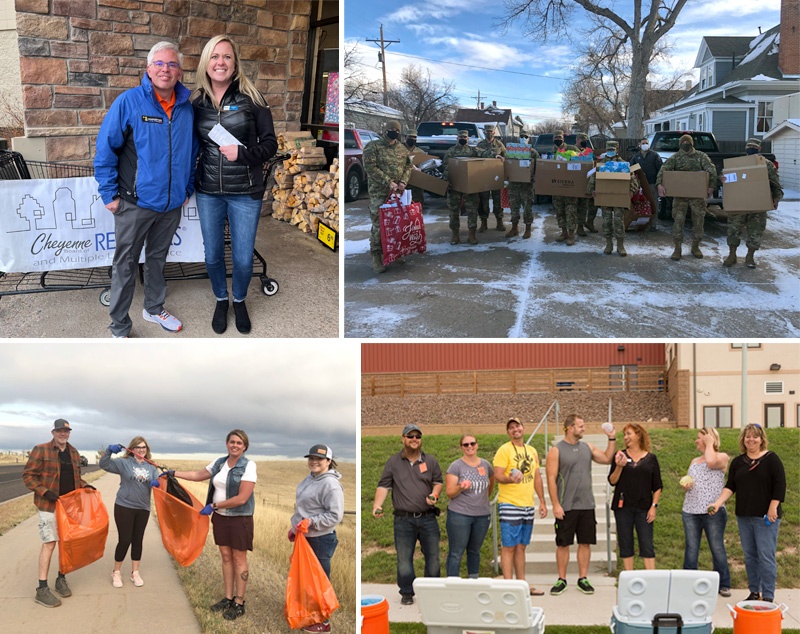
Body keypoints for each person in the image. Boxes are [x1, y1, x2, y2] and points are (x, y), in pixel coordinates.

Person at [95, 41, 198, 337]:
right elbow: (106, 149)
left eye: (172, 64)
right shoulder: (129, 102)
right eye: (160, 64)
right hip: (134, 204)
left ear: (180, 71)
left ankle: (153, 308)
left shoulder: (186, 110)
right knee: (125, 266)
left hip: (170, 205)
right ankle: (119, 327)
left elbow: (191, 153)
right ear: (148, 69)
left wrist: (186, 188)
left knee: (157, 259)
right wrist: (109, 195)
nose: (166, 70)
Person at [192, 35, 278, 335]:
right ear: (206, 62)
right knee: (213, 254)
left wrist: (242, 153)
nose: (220, 62)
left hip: (245, 192)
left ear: (235, 62)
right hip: (208, 192)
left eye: (227, 57)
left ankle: (239, 299)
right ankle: (220, 298)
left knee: (242, 257)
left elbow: (270, 145)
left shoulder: (252, 99)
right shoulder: (196, 102)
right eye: (215, 56)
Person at [172, 430, 257, 621]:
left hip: (239, 518)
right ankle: (228, 598)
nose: (235, 445)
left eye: (239, 443)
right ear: (227, 443)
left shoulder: (248, 465)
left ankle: (239, 601)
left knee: (238, 559)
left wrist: (214, 505)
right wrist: (173, 473)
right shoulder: (220, 462)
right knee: (226, 557)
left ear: (244, 446)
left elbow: (242, 498)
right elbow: (197, 474)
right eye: (232, 442)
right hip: (220, 518)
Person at [709, 424, 785, 603]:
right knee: (750, 556)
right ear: (743, 439)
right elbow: (730, 487)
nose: (751, 440)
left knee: (766, 556)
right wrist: (718, 503)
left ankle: (767, 595)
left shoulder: (772, 459)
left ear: (761, 439)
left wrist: (773, 506)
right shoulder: (738, 462)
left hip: (766, 517)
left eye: (755, 437)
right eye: (747, 437)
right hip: (744, 516)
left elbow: (780, 485)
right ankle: (754, 591)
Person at [22, 419, 91, 608]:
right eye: (60, 431)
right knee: (50, 544)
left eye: (66, 431)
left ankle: (61, 578)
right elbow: (28, 476)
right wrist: (45, 492)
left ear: (69, 433)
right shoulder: (41, 449)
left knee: (67, 544)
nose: (63, 434)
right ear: (53, 432)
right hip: (49, 506)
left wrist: (85, 486)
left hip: (69, 506)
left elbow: (75, 478)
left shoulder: (74, 452)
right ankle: (41, 589)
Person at [372, 424, 443, 605]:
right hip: (403, 520)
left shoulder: (431, 461)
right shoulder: (393, 462)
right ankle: (407, 593)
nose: (414, 439)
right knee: (404, 559)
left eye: (417, 437)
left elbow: (438, 483)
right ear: (403, 438)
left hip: (428, 518)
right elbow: (383, 486)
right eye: (410, 436)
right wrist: (377, 505)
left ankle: (431, 592)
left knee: (433, 557)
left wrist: (434, 494)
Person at [546, 414, 616, 595]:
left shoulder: (587, 447)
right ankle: (561, 579)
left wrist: (612, 438)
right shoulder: (556, 450)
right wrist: (555, 504)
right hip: (566, 506)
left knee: (585, 543)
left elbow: (608, 458)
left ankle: (582, 578)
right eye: (580, 426)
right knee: (563, 544)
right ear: (570, 428)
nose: (583, 428)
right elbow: (551, 479)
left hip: (586, 505)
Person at [289, 444, 344, 634]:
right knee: (307, 581)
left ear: (329, 461)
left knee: (319, 581)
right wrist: (294, 528)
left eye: (319, 459)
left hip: (321, 539)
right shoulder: (310, 479)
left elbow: (335, 516)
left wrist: (310, 523)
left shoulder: (330, 485)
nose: (314, 462)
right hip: (305, 537)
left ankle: (324, 621)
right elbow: (303, 510)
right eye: (311, 458)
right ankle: (309, 614)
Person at [493, 418, 548, 595]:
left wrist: (542, 500)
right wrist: (511, 479)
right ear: (508, 432)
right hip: (509, 504)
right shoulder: (504, 450)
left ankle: (521, 584)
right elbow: (498, 475)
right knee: (509, 546)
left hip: (527, 504)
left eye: (517, 426)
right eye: (511, 428)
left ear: (523, 428)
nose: (515, 429)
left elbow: (537, 477)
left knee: (521, 546)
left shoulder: (532, 451)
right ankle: (508, 587)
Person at [99, 437, 161, 588]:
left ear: (147, 449)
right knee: (125, 540)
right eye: (138, 447)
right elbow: (104, 464)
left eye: (144, 447)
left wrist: (157, 483)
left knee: (137, 540)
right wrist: (108, 451)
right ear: (132, 449)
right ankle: (116, 572)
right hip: (124, 506)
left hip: (143, 508)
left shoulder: (152, 467)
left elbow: (158, 482)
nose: (141, 450)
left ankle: (135, 573)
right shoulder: (124, 463)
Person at [680, 428, 731, 597]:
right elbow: (691, 481)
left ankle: (723, 583)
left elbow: (711, 462)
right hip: (691, 510)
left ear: (709, 439)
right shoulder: (695, 461)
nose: (696, 441)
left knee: (716, 547)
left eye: (699, 438)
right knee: (691, 547)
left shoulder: (721, 457)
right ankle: (688, 581)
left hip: (712, 512)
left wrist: (710, 443)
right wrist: (687, 486)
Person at [607, 424, 663, 570]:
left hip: (644, 508)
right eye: (624, 435)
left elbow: (657, 486)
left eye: (629, 434)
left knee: (646, 543)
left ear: (638, 435)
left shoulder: (651, 459)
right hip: (623, 507)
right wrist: (619, 466)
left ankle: (651, 577)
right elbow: (612, 481)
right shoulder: (619, 456)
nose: (626, 437)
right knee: (625, 542)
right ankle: (630, 578)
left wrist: (654, 506)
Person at [722, 138, 783, 269]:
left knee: (755, 231)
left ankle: (750, 257)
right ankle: (732, 255)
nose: (751, 148)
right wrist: (722, 178)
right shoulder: (738, 163)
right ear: (745, 148)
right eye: (749, 146)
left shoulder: (766, 164)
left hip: (758, 204)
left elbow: (775, 183)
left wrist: (776, 198)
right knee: (734, 230)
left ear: (759, 149)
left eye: (754, 146)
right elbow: (725, 177)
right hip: (739, 203)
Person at [656, 134, 716, 261]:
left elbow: (711, 169)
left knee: (698, 221)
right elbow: (664, 169)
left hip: (697, 197)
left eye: (688, 142)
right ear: (680, 144)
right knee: (678, 221)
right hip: (680, 196)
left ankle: (695, 247)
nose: (685, 144)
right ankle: (677, 248)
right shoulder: (676, 157)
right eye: (683, 142)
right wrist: (659, 184)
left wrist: (711, 186)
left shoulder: (701, 156)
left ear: (692, 143)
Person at [363, 120, 412, 274]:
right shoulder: (373, 147)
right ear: (385, 130)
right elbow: (370, 167)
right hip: (379, 192)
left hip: (398, 193)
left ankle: (395, 252)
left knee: (396, 224)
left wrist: (403, 181)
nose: (393, 132)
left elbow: (408, 166)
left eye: (396, 130)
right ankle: (377, 257)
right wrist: (387, 182)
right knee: (378, 225)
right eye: (391, 129)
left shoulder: (402, 148)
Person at [445, 434, 495, 578]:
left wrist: (483, 500)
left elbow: (490, 485)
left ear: (477, 445)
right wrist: (460, 487)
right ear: (461, 447)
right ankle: (452, 584)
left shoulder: (485, 465)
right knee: (456, 551)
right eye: (466, 445)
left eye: (472, 443)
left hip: (481, 515)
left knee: (474, 550)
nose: (470, 447)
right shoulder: (456, 466)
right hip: (460, 515)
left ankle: (473, 581)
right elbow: (449, 492)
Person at [587, 141, 639, 257]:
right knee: (606, 221)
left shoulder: (624, 164)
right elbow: (594, 178)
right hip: (605, 196)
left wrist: (631, 190)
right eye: (609, 149)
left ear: (617, 150)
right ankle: (608, 244)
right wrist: (592, 190)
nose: (610, 151)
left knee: (618, 221)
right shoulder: (601, 164)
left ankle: (620, 245)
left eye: (612, 149)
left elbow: (633, 180)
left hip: (619, 197)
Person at [442, 130, 493, 245]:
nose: (463, 138)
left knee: (472, 210)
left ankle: (472, 235)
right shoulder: (451, 151)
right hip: (454, 185)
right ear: (457, 138)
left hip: (469, 186)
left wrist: (497, 155)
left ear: (468, 138)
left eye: (465, 137)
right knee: (454, 211)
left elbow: (484, 153)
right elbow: (445, 166)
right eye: (461, 137)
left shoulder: (472, 150)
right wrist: (447, 178)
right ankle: (455, 235)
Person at [551, 130, 581, 245]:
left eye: (560, 137)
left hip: (570, 185)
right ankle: (563, 232)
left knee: (571, 211)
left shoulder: (572, 149)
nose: (558, 139)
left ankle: (571, 234)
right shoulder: (552, 150)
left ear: (563, 138)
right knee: (559, 211)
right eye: (556, 137)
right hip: (556, 185)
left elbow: (582, 160)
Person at [506, 144, 540, 239]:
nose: (523, 138)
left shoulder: (532, 152)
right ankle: (514, 229)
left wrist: (534, 177)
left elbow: (540, 165)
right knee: (514, 208)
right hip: (513, 185)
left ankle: (528, 229)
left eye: (525, 137)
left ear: (528, 139)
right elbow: (506, 164)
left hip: (526, 186)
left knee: (527, 209)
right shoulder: (511, 151)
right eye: (521, 136)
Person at [477, 126, 507, 232]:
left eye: (491, 131)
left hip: (496, 176)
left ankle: (499, 222)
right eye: (487, 131)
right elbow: (477, 156)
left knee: (497, 200)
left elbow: (506, 157)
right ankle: (484, 222)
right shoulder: (480, 145)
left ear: (494, 132)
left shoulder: (499, 144)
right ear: (484, 132)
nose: (489, 133)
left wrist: (503, 158)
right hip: (484, 176)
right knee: (483, 201)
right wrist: (495, 155)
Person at [574, 132, 597, 235]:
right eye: (582, 140)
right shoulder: (572, 150)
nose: (584, 143)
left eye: (585, 141)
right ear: (577, 140)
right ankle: (574, 228)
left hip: (587, 181)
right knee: (575, 207)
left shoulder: (589, 151)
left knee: (585, 206)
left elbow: (594, 163)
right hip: (575, 182)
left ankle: (583, 225)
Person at [404, 129, 426, 211]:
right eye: (410, 137)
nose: (412, 139)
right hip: (403, 183)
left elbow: (424, 166)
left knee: (417, 206)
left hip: (416, 185)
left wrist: (421, 169)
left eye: (414, 137)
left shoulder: (420, 152)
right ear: (405, 137)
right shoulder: (399, 150)